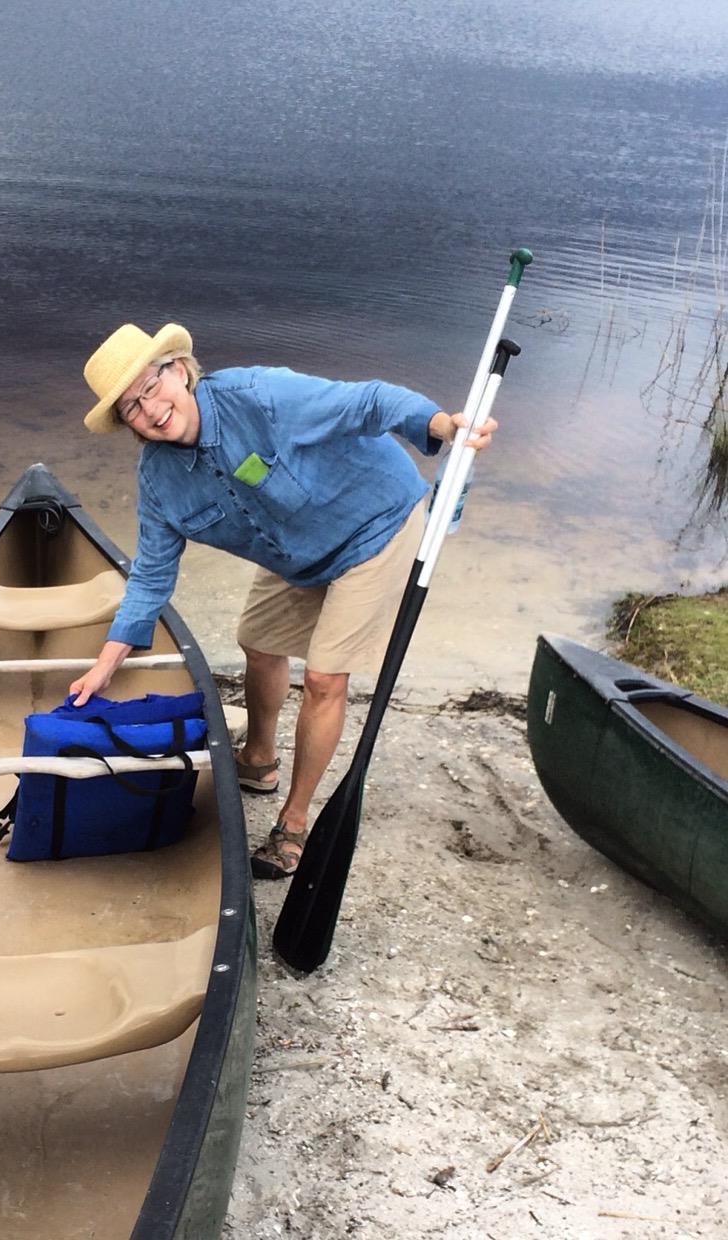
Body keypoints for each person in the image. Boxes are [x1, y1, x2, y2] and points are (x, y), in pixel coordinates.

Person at [68, 322, 497, 880]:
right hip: (295, 553)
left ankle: (293, 824)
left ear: (178, 370)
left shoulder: (261, 396)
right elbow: (150, 575)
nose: (150, 410)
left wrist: (441, 424)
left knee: (324, 679)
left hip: (377, 527)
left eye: (151, 388)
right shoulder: (159, 481)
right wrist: (105, 665)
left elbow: (368, 402)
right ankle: (260, 760)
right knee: (259, 641)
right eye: (130, 408)